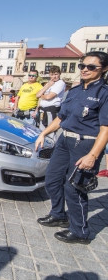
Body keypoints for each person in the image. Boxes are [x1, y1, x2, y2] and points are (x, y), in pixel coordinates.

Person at [35, 51, 108, 244]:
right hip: (64, 140)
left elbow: (105, 129)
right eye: (82, 66)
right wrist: (43, 133)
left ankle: (80, 231)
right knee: (51, 180)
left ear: (104, 69)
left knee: (74, 188)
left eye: (91, 67)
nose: (85, 69)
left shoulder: (104, 93)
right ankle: (58, 214)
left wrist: (93, 156)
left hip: (85, 144)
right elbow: (61, 118)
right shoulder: (74, 91)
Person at [35, 65, 66, 139]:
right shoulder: (49, 83)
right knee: (42, 130)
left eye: (56, 74)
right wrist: (47, 86)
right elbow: (37, 95)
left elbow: (49, 97)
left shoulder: (60, 83)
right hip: (43, 110)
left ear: (59, 74)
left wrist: (42, 96)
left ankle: (51, 148)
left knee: (50, 132)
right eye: (52, 74)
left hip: (51, 109)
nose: (54, 77)